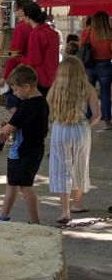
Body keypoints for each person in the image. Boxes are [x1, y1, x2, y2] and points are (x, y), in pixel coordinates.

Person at [0, 65, 49, 223]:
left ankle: (35, 223)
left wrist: (4, 129)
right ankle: (3, 216)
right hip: (34, 149)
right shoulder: (42, 102)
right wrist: (9, 126)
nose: (14, 93)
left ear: (26, 87)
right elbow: (24, 124)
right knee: (12, 185)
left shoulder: (26, 106)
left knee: (25, 187)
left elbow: (8, 129)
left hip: (22, 152)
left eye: (15, 89)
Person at [47, 57, 101, 224]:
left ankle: (65, 211)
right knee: (80, 166)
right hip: (80, 129)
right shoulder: (87, 87)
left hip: (61, 128)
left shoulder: (56, 87)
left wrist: (56, 117)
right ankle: (77, 204)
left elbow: (48, 107)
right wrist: (86, 125)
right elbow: (97, 115)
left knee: (61, 168)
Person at [16, 2, 59, 96]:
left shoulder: (34, 34)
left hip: (41, 78)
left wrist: (18, 57)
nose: (22, 19)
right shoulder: (53, 32)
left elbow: (34, 60)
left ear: (28, 17)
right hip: (54, 76)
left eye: (23, 16)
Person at [0, 0, 35, 112]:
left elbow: (14, 54)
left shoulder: (21, 27)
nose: (13, 12)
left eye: (15, 9)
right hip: (35, 72)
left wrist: (5, 76)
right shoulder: (36, 26)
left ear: (21, 10)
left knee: (13, 107)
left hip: (21, 71)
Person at [79, 11, 112, 129]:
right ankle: (107, 121)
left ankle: (88, 119)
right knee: (105, 93)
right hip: (105, 64)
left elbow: (80, 46)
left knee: (88, 93)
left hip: (90, 65)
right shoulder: (109, 33)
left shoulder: (88, 32)